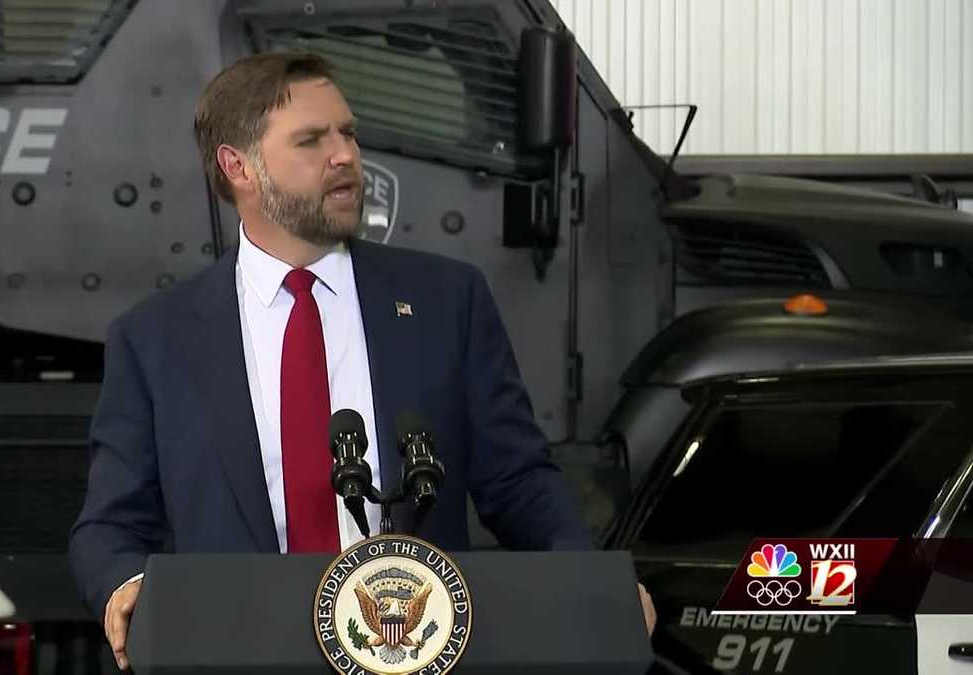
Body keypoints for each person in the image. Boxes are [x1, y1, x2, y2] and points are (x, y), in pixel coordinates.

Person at [69, 51, 655, 671]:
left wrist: (595, 586)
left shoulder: (446, 301)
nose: (345, 155)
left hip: (412, 650)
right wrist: (124, 586)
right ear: (237, 166)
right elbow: (108, 526)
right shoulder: (155, 338)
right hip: (236, 654)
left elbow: (518, 482)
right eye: (311, 140)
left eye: (347, 133)